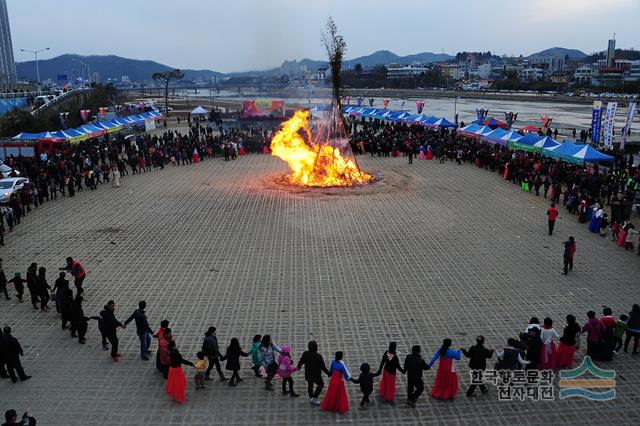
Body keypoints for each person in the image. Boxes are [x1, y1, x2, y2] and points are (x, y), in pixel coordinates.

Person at [296, 340, 330, 406]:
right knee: (321, 385)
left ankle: (311, 397)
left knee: (310, 385)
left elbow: (301, 361)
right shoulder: (318, 356)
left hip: (308, 373)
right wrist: (328, 373)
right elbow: (323, 367)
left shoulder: (305, 353)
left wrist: (298, 366)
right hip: (316, 375)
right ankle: (314, 398)